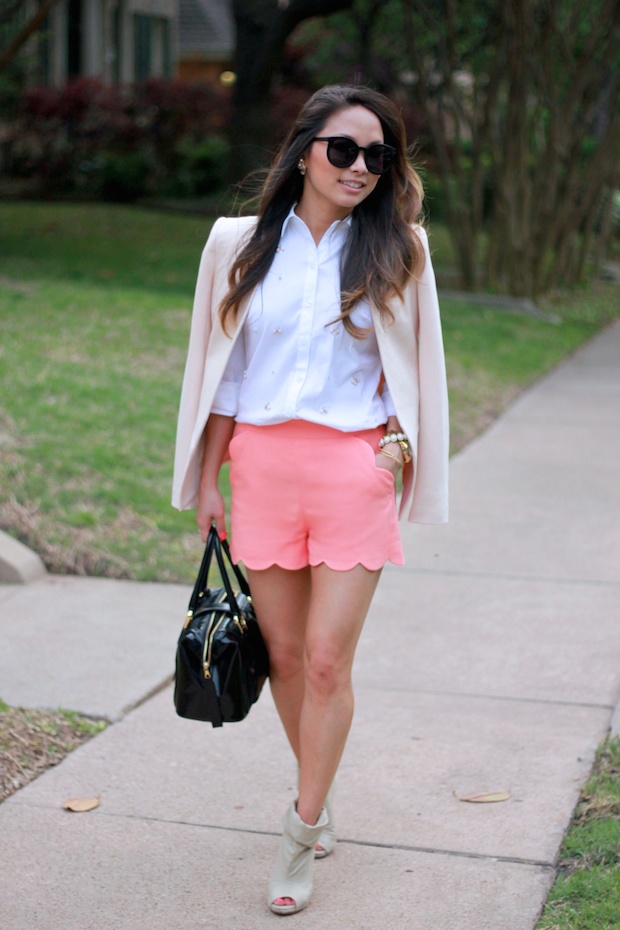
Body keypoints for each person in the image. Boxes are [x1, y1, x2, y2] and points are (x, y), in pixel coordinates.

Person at [172, 84, 449, 916]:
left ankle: (299, 833)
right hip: (261, 467)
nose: (361, 167)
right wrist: (210, 482)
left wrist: (389, 461)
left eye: (378, 156)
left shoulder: (402, 247)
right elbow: (224, 371)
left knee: (328, 661)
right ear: (304, 150)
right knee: (285, 659)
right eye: (344, 150)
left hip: (350, 473)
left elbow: (415, 373)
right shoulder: (237, 244)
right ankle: (318, 790)